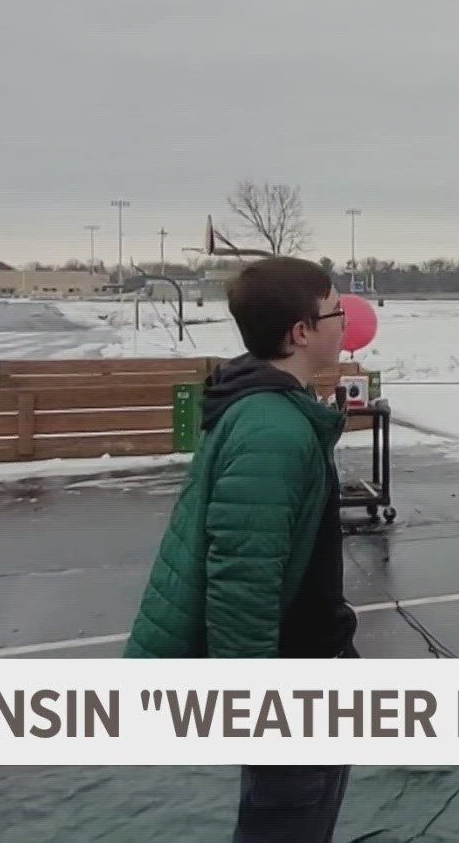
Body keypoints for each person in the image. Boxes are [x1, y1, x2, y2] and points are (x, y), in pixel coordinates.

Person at [123, 257, 357, 843]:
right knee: (287, 821)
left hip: (307, 665)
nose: (345, 322)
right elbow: (242, 582)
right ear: (301, 332)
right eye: (336, 311)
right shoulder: (272, 432)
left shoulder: (273, 409)